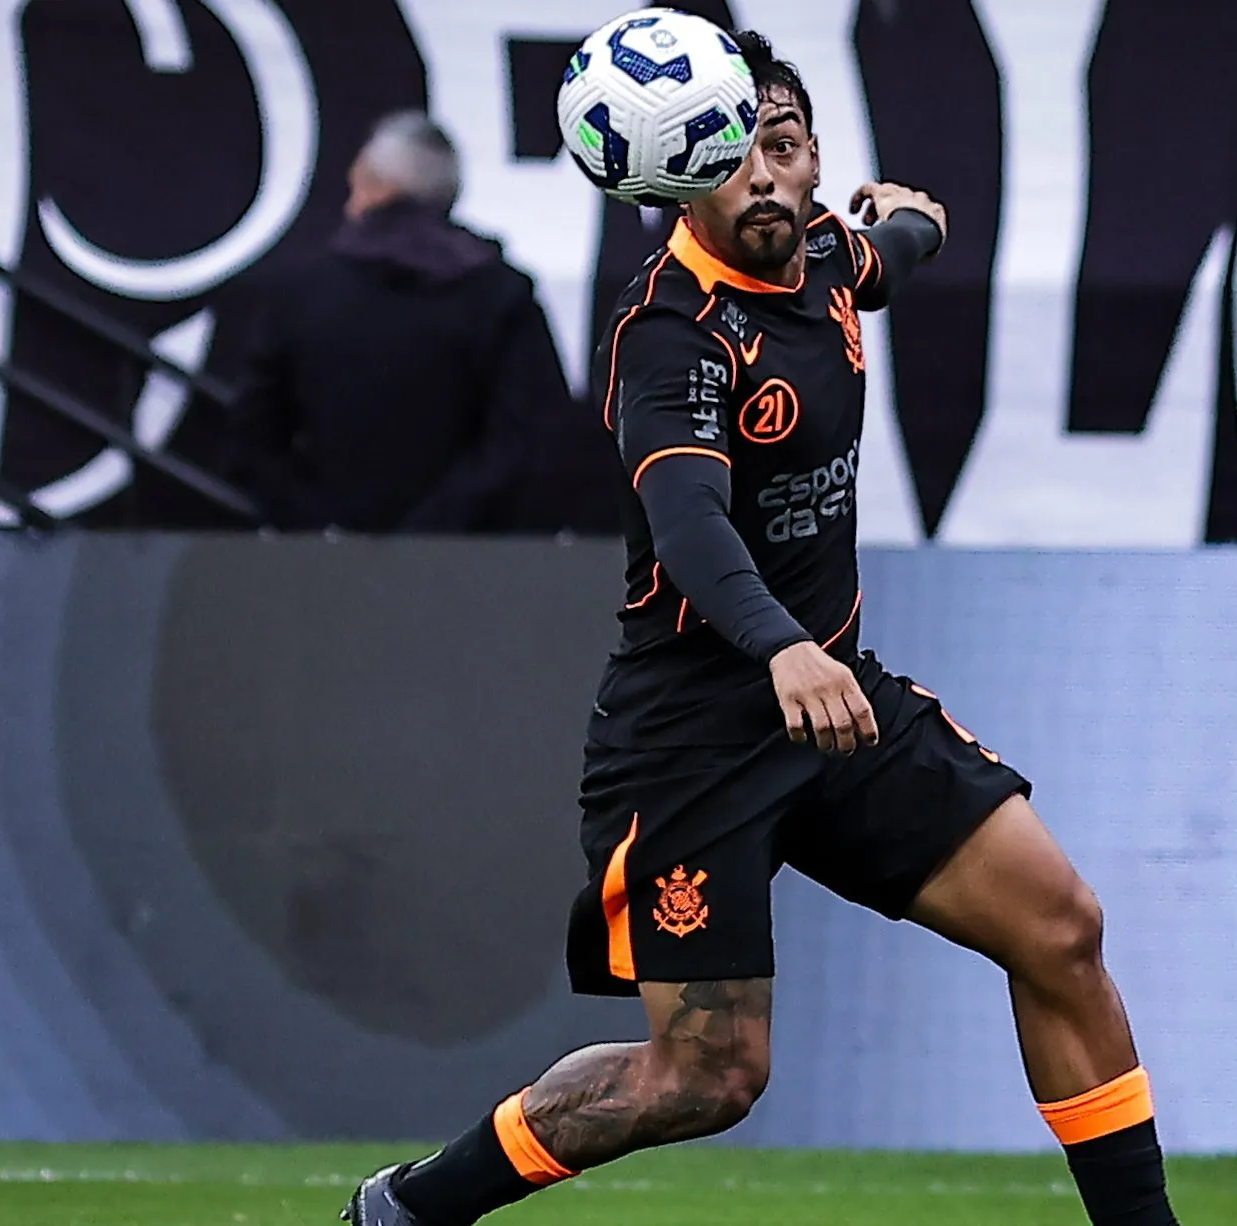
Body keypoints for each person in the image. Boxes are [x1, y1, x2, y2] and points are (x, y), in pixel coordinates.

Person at [344, 31, 1182, 1226]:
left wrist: (912, 220)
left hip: (836, 700)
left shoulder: (826, 258)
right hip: (695, 735)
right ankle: (418, 1204)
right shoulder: (670, 332)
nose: (768, 179)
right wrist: (782, 643)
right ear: (682, 176)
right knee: (708, 1077)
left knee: (1062, 926)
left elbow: (894, 244)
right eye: (738, 158)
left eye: (786, 149)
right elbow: (689, 521)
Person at [230, 112, 567, 534]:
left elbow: (253, 436)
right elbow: (528, 439)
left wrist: (320, 525)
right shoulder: (501, 293)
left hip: (325, 568)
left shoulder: (299, 292)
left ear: (372, 186)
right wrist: (438, 528)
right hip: (471, 570)